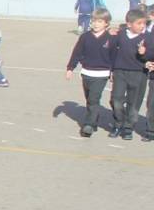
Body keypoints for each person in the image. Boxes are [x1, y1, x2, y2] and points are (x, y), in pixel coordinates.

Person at [65, 9, 116, 138]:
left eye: (99, 21)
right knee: (89, 99)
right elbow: (76, 52)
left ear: (106, 23)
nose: (96, 24)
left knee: (94, 98)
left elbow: (114, 56)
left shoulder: (110, 38)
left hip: (101, 74)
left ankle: (88, 125)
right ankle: (94, 119)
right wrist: (70, 68)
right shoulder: (85, 37)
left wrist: (113, 72)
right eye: (94, 21)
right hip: (87, 73)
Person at [108, 8, 151, 140]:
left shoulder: (147, 37)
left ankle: (128, 127)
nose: (142, 26)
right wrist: (111, 69)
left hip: (139, 74)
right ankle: (118, 123)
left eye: (144, 23)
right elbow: (111, 51)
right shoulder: (119, 35)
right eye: (139, 23)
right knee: (116, 100)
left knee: (134, 103)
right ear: (129, 24)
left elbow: (151, 55)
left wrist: (144, 54)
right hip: (120, 72)